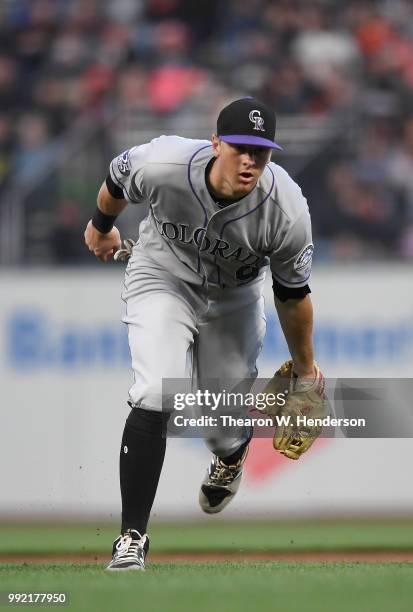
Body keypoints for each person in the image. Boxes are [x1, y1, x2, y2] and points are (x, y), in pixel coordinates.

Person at [84, 97, 319, 571]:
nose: (251, 160)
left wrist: (307, 371)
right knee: (155, 391)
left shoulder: (286, 209)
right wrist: (102, 224)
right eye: (240, 148)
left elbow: (292, 296)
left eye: (262, 151)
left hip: (234, 297)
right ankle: (132, 537)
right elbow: (115, 178)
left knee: (220, 424)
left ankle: (231, 455)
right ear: (216, 143)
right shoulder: (165, 161)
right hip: (161, 275)